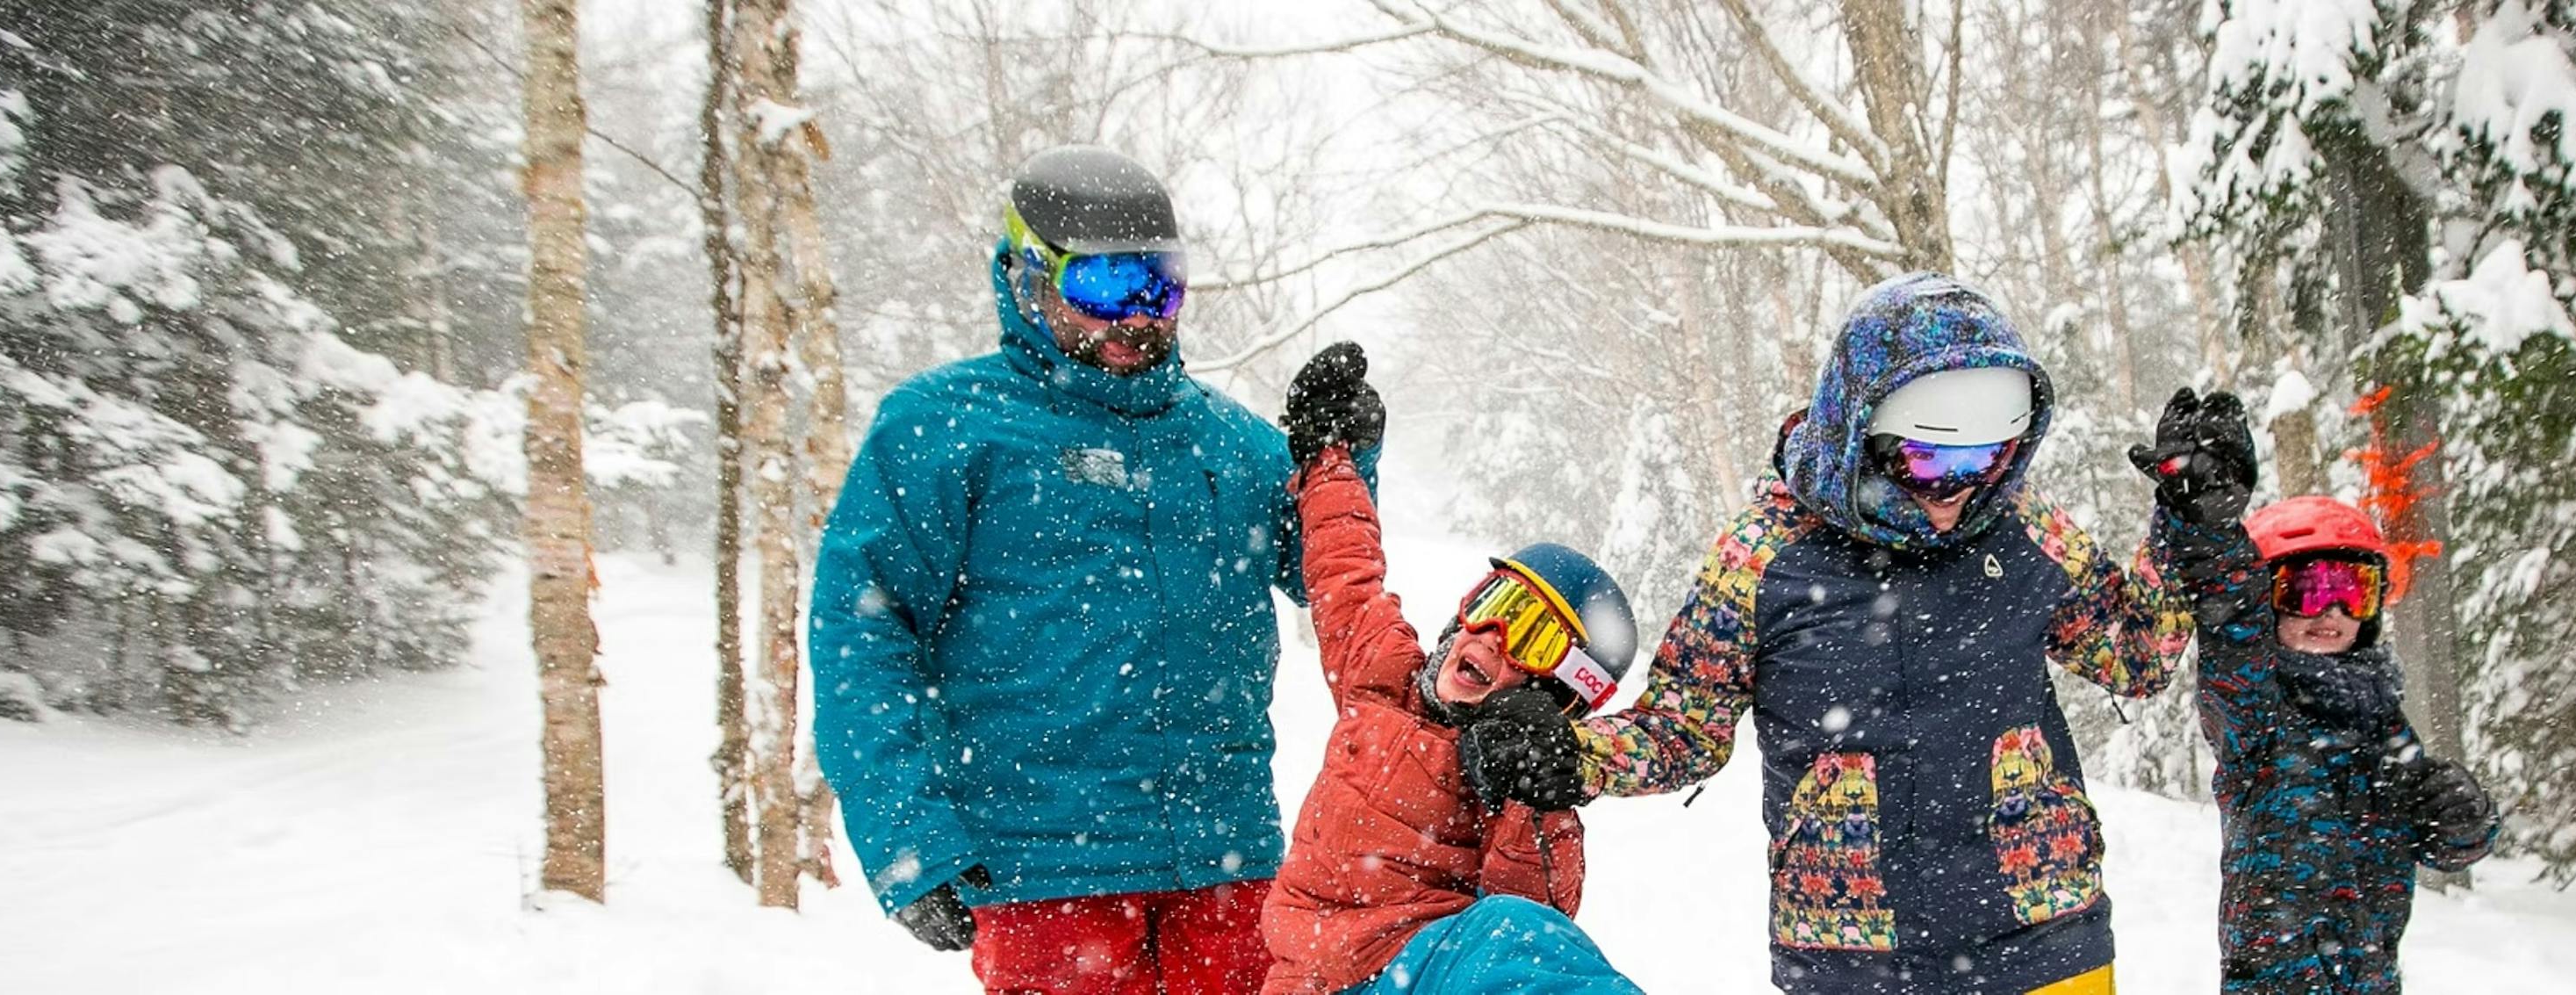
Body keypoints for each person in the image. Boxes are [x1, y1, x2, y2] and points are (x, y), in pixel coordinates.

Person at [1459, 272, 2197, 994]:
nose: (1958, 488)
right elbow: (1683, 728)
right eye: (1926, 457)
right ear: (1858, 427)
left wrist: (2190, 526)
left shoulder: (2023, 525)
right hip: (1853, 957)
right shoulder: (1763, 556)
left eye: (1988, 457)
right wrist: (1573, 755)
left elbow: (2136, 652)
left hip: (2044, 936)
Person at [808, 146, 1374, 995]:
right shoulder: (948, 428)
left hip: (1226, 857)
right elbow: (862, 631)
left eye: (1161, 287)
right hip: (1048, 866)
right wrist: (908, 838)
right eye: (1106, 288)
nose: (1138, 319)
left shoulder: (1225, 439)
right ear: (1029, 277)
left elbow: (1329, 579)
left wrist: (1342, 459)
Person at [1258, 344, 1645, 995]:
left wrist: (1534, 793)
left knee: (1511, 932)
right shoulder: (1380, 675)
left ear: (1557, 693)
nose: (1493, 635)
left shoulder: (1511, 777)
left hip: (1423, 973)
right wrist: (1329, 456)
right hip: (1310, 979)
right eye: (1496, 604)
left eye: (1533, 634)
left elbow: (1538, 916)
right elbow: (1346, 569)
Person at [2128, 390, 2501, 994]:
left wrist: (2462, 821)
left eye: (2351, 589)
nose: (2329, 609)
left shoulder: (2381, 717)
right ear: (2267, 599)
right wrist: (2209, 530)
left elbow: (2439, 842)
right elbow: (2229, 623)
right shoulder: (2254, 711)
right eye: (2306, 589)